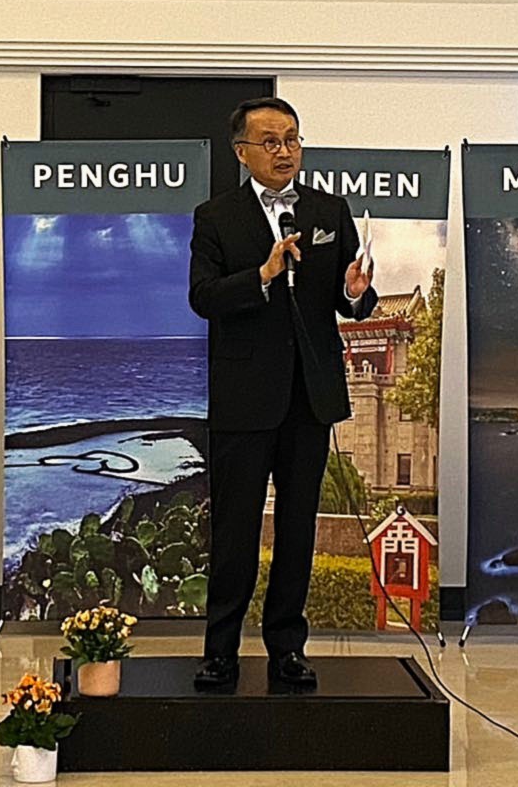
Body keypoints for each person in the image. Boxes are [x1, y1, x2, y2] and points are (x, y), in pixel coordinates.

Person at [188, 97, 376, 690]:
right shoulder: (216, 217)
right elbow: (203, 298)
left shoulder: (328, 210)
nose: (284, 151)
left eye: (292, 139)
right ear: (241, 152)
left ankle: (287, 647)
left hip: (309, 398)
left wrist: (355, 293)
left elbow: (351, 300)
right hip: (244, 399)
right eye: (270, 141)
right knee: (236, 533)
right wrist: (263, 276)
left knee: (298, 530)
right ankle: (220, 651)